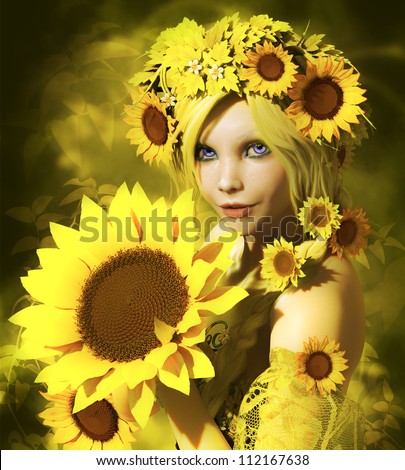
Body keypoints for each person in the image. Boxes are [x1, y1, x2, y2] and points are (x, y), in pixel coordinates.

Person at [124, 13, 371, 450]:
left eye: (256, 149)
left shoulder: (317, 291)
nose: (225, 181)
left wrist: (165, 370)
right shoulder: (222, 246)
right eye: (206, 152)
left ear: (303, 151)